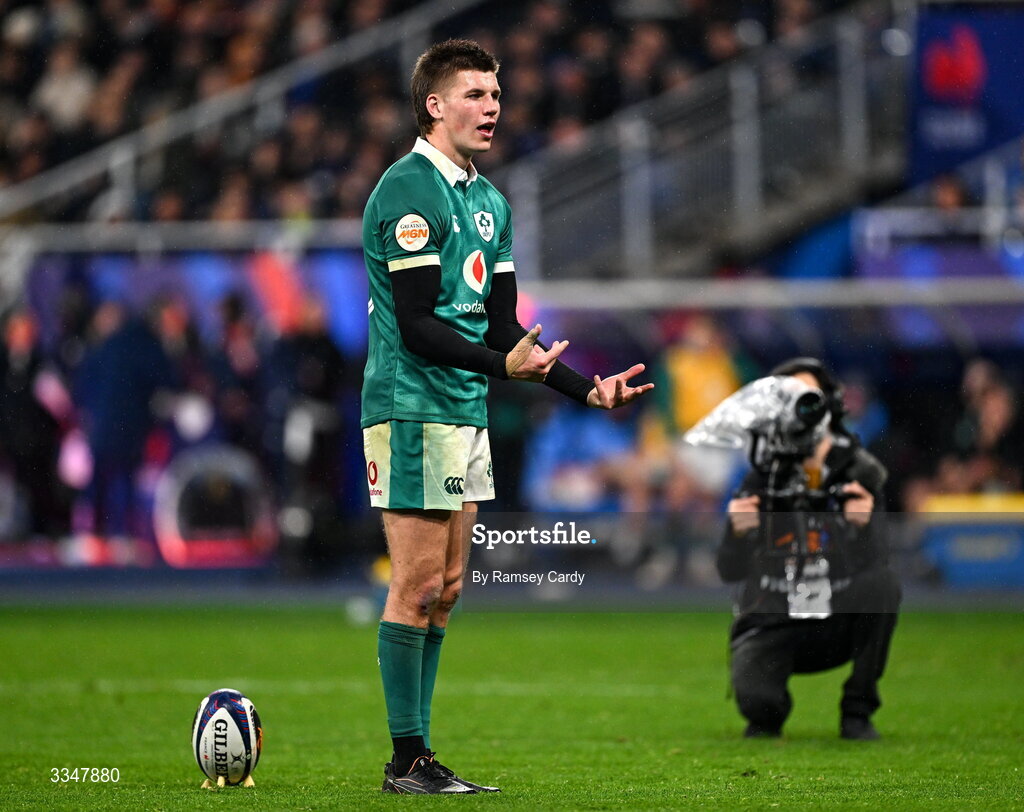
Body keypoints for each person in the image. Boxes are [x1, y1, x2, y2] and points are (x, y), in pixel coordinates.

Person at [360, 39, 653, 795]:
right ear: (435, 104)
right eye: (475, 94)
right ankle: (406, 760)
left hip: (462, 408)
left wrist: (586, 389)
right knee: (419, 584)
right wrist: (503, 368)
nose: (492, 107)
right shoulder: (406, 191)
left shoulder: (489, 203)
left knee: (449, 588)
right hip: (411, 406)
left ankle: (416, 758)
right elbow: (419, 323)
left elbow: (501, 324)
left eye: (496, 94)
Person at [716, 358, 901, 741]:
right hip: (772, 618)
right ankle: (767, 701)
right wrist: (737, 533)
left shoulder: (859, 473)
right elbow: (729, 570)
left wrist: (862, 527)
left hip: (832, 615)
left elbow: (878, 562)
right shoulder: (761, 474)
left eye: (808, 398)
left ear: (830, 405)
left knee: (884, 586)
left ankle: (858, 710)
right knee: (760, 712)